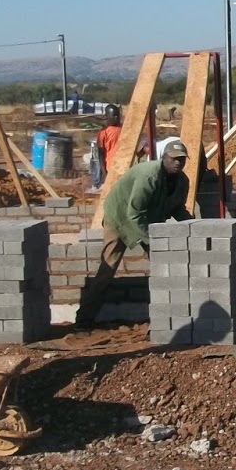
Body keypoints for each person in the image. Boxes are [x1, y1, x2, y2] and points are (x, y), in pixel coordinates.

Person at [75, 138, 192, 328]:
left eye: (182, 159)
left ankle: (168, 319)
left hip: (145, 220)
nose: (178, 162)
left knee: (164, 266)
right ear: (164, 158)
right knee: (108, 267)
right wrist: (150, 239)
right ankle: (84, 319)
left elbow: (177, 209)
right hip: (120, 218)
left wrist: (195, 227)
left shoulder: (181, 182)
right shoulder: (149, 176)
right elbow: (133, 213)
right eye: (174, 158)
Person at [91, 105, 122, 189]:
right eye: (114, 115)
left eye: (117, 115)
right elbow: (101, 154)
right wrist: (104, 172)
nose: (116, 118)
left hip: (123, 165)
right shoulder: (103, 133)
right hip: (110, 167)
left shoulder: (124, 129)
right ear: (107, 116)